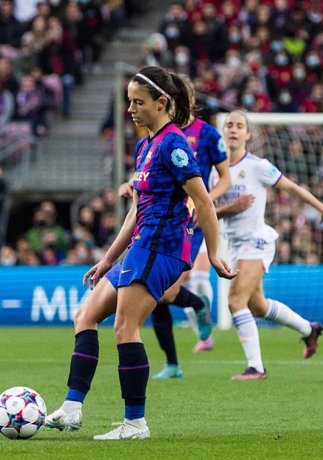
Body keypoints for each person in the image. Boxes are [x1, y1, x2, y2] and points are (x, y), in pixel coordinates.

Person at [45, 66, 236, 440]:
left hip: (161, 246)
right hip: (140, 244)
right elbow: (136, 209)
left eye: (138, 102)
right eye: (128, 101)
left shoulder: (174, 144)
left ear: (162, 103)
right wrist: (107, 259)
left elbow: (203, 201)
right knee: (85, 316)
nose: (130, 109)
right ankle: (71, 408)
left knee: (124, 327)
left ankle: (135, 423)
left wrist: (213, 254)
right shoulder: (144, 145)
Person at [119, 84, 231, 380]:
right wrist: (130, 186)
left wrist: (205, 200)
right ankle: (172, 363)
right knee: (154, 293)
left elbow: (224, 179)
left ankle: (197, 305)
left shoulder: (205, 134)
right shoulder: (153, 138)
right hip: (156, 224)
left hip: (185, 221)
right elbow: (147, 177)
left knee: (163, 291)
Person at [214, 110, 323, 381]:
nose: (232, 129)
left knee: (235, 300)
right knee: (257, 306)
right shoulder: (214, 173)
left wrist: (320, 206)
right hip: (234, 246)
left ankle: (256, 367)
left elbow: (291, 187)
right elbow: (205, 213)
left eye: (239, 126)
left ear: (247, 135)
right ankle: (308, 329)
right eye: (229, 125)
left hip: (256, 241)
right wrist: (228, 208)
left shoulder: (257, 165)